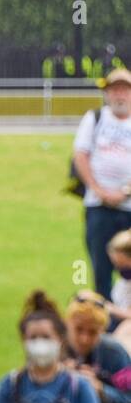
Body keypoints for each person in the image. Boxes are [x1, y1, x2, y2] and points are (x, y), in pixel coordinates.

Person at [72, 67, 131, 299]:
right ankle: (104, 321)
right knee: (101, 268)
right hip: (98, 206)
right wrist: (98, 189)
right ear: (107, 94)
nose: (119, 95)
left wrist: (125, 191)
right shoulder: (95, 118)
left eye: (124, 90)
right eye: (115, 90)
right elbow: (81, 155)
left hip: (128, 206)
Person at [63, 292, 131, 403]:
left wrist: (100, 389)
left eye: (92, 332)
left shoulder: (115, 353)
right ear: (67, 325)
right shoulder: (56, 349)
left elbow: (128, 399)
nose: (84, 339)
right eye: (79, 329)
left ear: (102, 331)